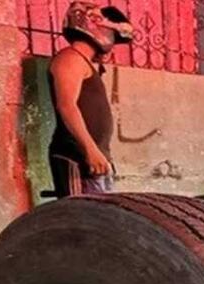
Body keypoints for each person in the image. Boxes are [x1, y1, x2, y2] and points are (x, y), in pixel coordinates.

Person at [48, 2, 133, 197]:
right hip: (77, 157)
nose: (111, 41)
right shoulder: (70, 58)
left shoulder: (84, 62)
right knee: (79, 221)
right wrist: (90, 150)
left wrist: (97, 153)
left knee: (102, 221)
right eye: (109, 33)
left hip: (94, 160)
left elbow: (129, 32)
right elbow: (66, 106)